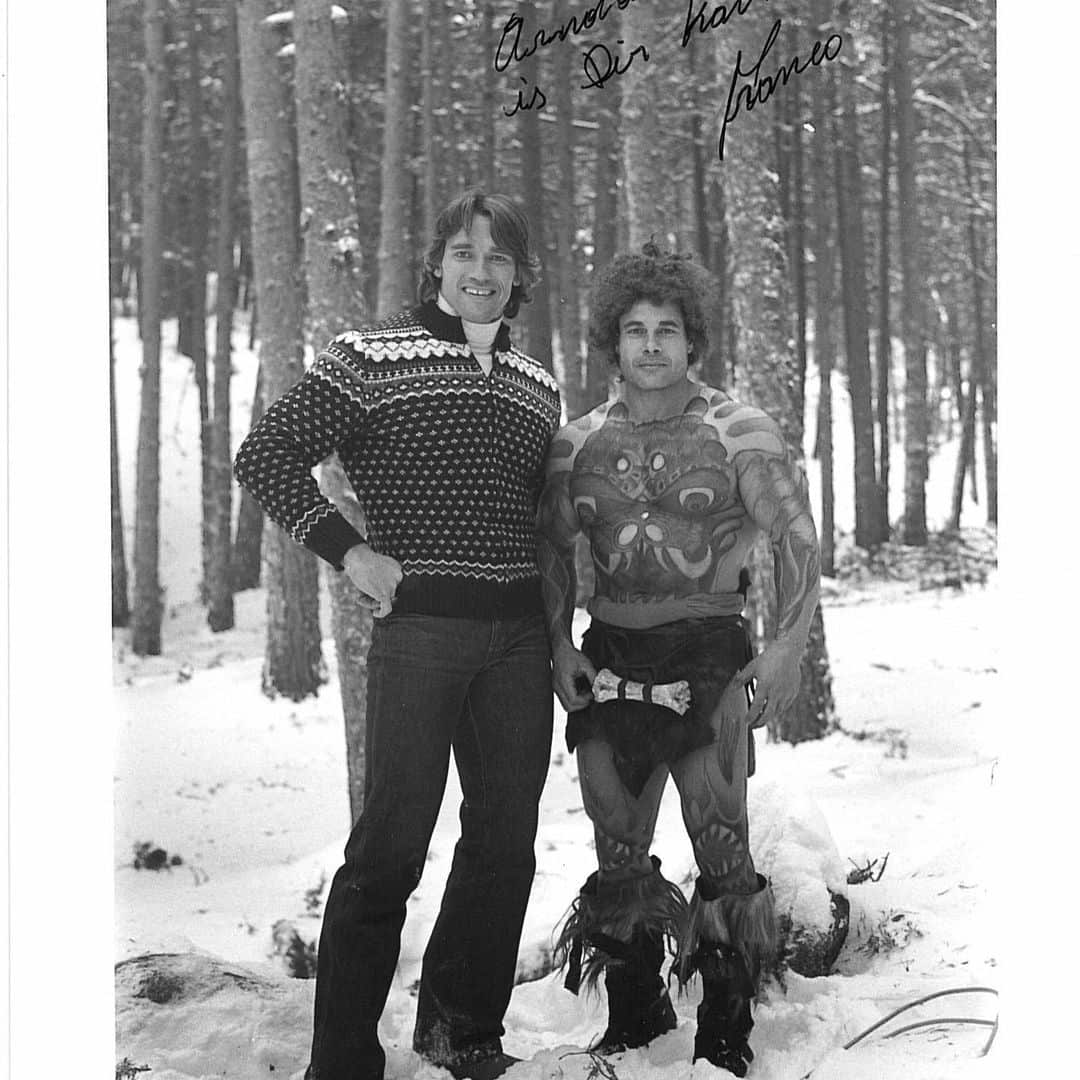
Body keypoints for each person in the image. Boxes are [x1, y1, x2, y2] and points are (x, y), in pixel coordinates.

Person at [234, 190, 562, 1080]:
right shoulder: (371, 357)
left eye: (498, 258)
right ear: (438, 265)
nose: (481, 270)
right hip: (420, 634)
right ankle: (340, 1061)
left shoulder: (538, 385)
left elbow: (543, 517)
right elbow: (263, 454)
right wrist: (350, 552)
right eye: (464, 253)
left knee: (504, 842)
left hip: (518, 645)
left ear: (520, 275)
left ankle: (463, 1030)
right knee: (390, 845)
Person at [536, 243, 820, 1077]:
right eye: (635, 330)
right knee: (615, 844)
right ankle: (635, 1017)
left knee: (720, 839)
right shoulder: (574, 445)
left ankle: (726, 1030)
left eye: (667, 329)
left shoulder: (739, 431)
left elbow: (797, 540)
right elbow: (552, 553)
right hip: (612, 650)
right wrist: (557, 644)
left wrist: (785, 650)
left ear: (693, 340)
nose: (651, 344)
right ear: (612, 343)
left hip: (709, 651)